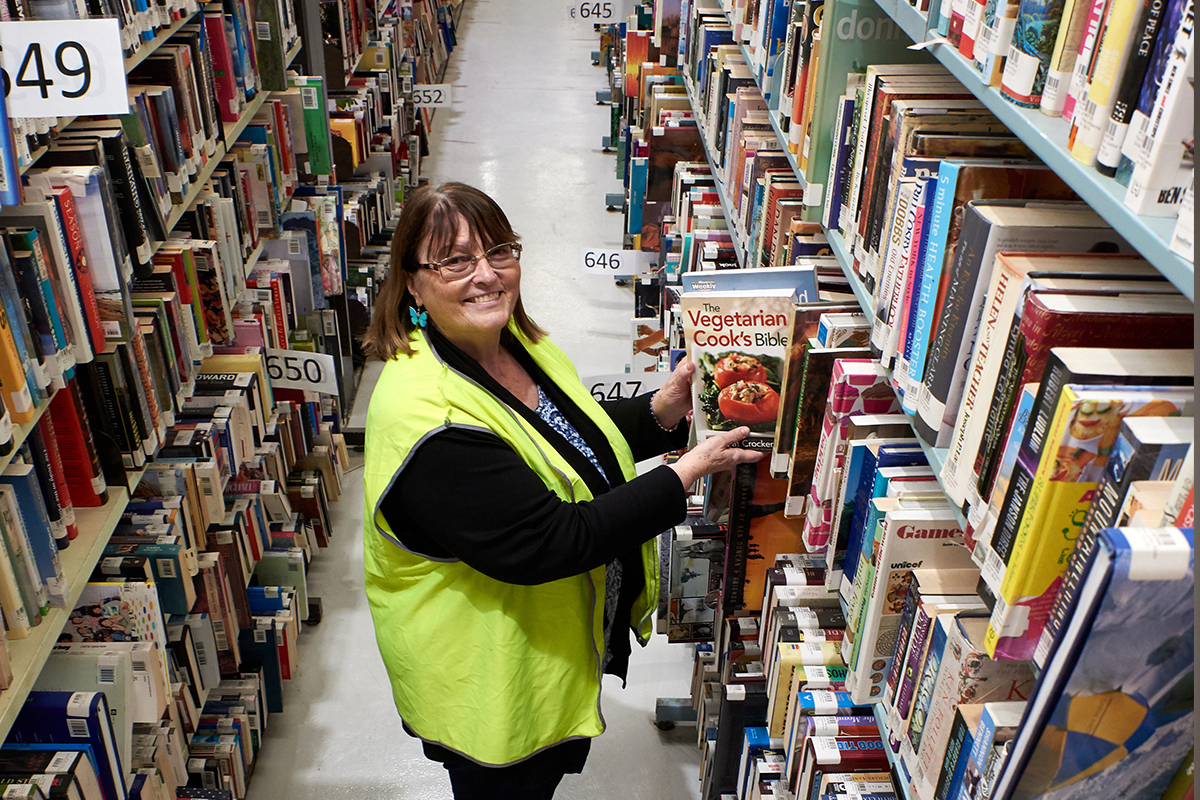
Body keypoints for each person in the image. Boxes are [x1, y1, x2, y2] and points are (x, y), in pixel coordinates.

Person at [361, 182, 761, 799]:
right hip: (487, 686)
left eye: (500, 251)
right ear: (412, 283)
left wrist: (664, 411)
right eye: (455, 261)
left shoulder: (514, 344)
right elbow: (552, 541)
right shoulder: (428, 418)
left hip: (538, 654)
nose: (487, 276)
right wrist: (681, 476)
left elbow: (571, 440)